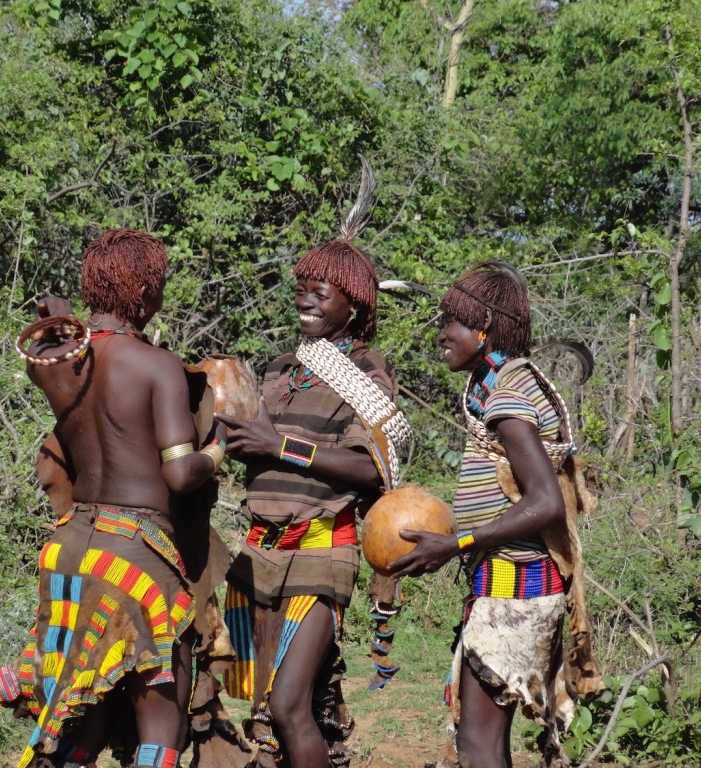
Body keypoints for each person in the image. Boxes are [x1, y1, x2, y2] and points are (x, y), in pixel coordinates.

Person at [0, 228, 228, 768]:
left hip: (70, 551)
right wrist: (218, 449)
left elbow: (56, 342)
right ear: (146, 294)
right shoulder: (156, 366)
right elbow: (179, 475)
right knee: (160, 733)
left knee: (81, 721)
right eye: (161, 286)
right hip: (135, 559)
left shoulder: (54, 363)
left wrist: (61, 319)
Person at [218, 160, 411, 768]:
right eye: (301, 288)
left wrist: (279, 447)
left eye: (319, 293)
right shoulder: (276, 368)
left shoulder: (368, 375)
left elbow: (372, 470)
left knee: (290, 706)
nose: (304, 299)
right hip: (255, 552)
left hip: (322, 551)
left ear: (351, 306)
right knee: (257, 710)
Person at [389, 261, 601, 768]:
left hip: (517, 587)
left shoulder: (507, 396)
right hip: (512, 582)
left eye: (451, 323)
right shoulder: (503, 386)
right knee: (482, 737)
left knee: (478, 744)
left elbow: (544, 502)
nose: (441, 335)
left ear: (482, 328)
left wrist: (457, 544)